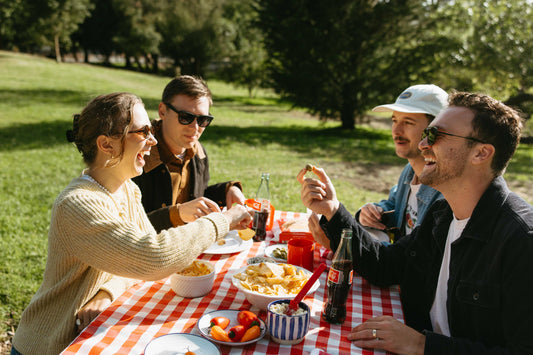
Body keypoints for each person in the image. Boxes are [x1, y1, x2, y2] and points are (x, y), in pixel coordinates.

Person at [11, 93, 251, 355]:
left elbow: (134, 264)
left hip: (93, 333)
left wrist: (105, 292)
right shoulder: (77, 204)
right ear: (106, 145)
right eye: (143, 131)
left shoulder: (127, 190)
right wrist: (223, 220)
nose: (153, 140)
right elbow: (155, 257)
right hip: (52, 345)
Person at [298, 91, 533, 354]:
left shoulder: (521, 240)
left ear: (480, 153)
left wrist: (422, 344)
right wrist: (333, 210)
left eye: (435, 135)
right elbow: (385, 266)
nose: (423, 145)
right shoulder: (443, 214)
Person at [309, 84, 446, 245]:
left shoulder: (443, 190)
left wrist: (341, 243)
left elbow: (413, 261)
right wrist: (373, 211)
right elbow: (395, 206)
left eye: (408, 122)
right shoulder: (409, 171)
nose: (396, 130)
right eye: (395, 120)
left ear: (434, 131)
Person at [132, 75, 245, 232]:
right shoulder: (136, 154)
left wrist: (227, 190)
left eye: (203, 120)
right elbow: (128, 225)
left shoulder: (198, 153)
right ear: (162, 111)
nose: (195, 127)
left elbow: (196, 197)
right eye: (185, 117)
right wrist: (177, 214)